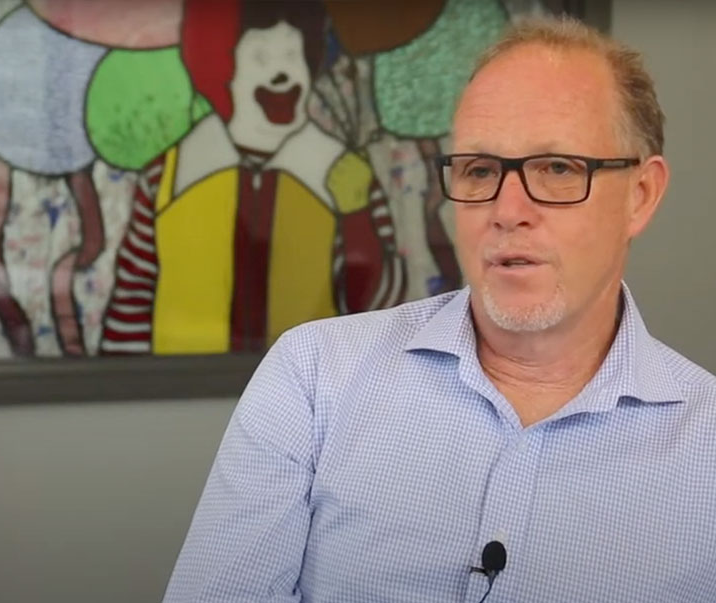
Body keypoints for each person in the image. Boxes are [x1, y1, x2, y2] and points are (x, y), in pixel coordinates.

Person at [163, 16, 716, 603]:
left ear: (640, 196)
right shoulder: (314, 375)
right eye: (479, 170)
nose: (507, 211)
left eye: (557, 168)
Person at [99, 0, 403, 355]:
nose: (281, 73)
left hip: (315, 386)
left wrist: (356, 219)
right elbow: (132, 300)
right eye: (261, 57)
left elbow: (384, 311)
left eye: (292, 56)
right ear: (224, 67)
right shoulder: (167, 176)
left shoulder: (345, 175)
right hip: (180, 385)